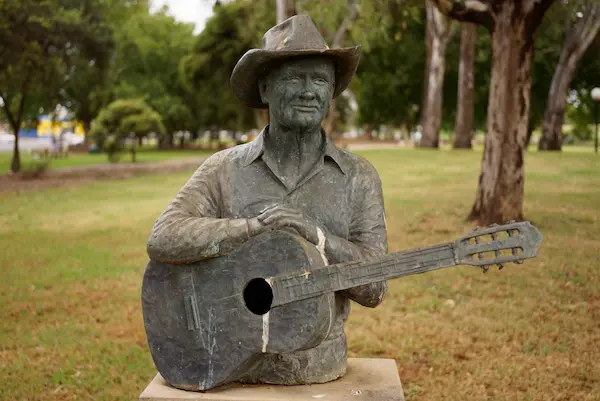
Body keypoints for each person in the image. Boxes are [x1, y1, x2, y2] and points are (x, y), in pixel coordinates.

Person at [147, 15, 388, 385]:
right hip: (230, 357)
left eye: (320, 80)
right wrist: (249, 229)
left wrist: (318, 239)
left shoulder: (359, 178)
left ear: (331, 92)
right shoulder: (224, 169)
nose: (309, 91)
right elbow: (162, 237)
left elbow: (375, 288)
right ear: (264, 89)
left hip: (320, 363)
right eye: (294, 78)